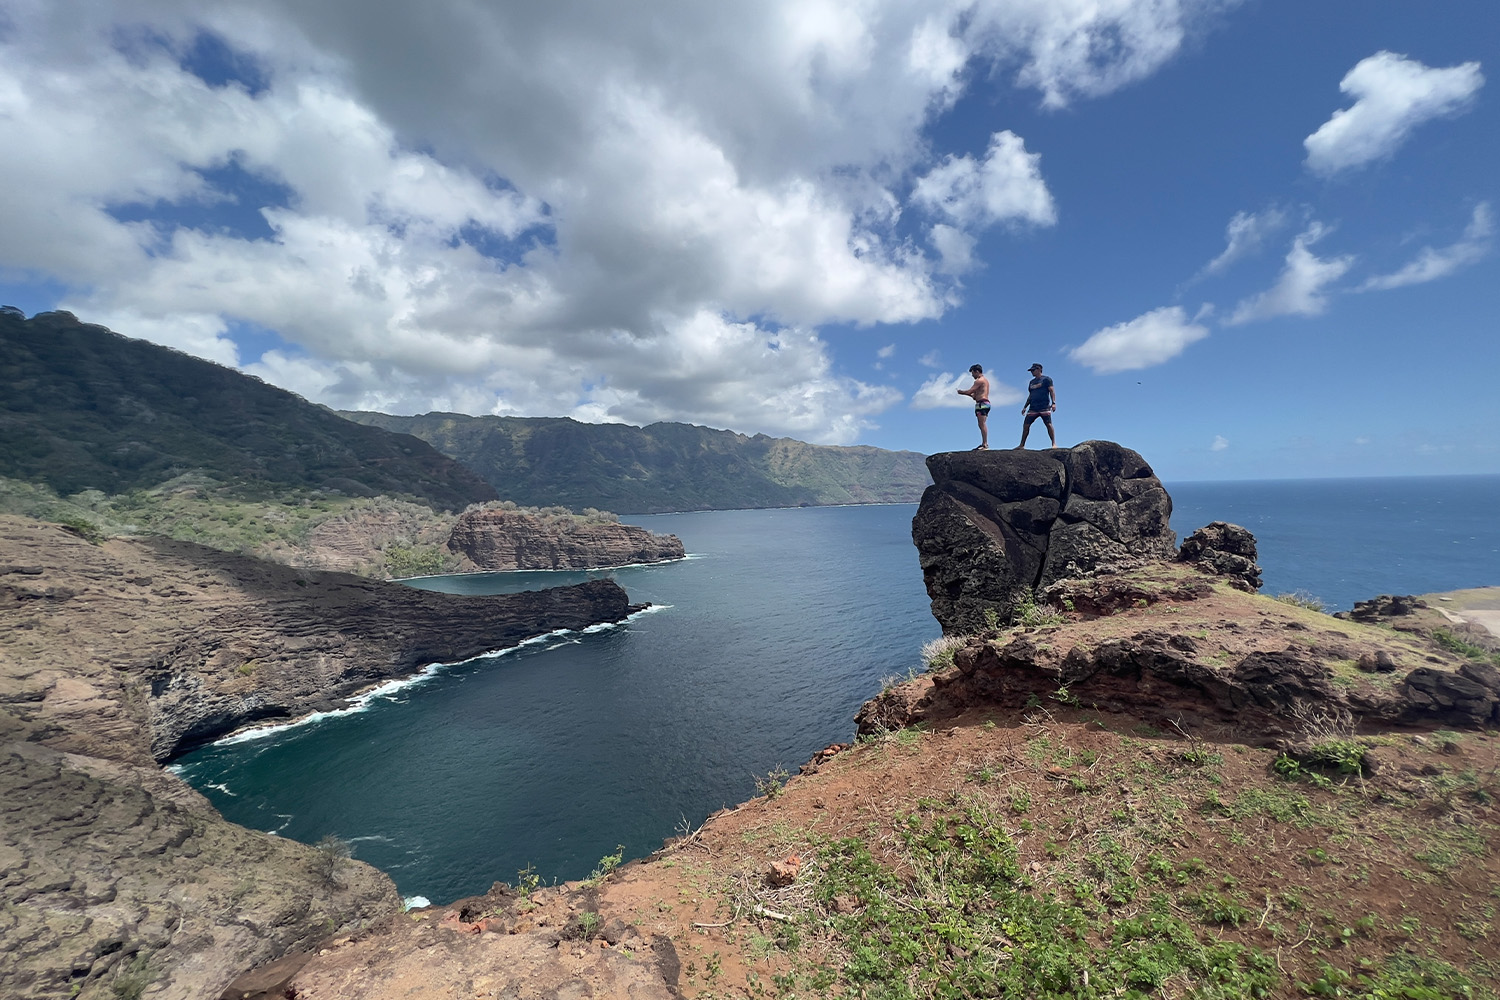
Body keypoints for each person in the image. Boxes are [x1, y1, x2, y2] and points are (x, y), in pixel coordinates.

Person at [1018, 363, 1056, 448]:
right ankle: (1022, 445)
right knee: (1026, 425)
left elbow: (1052, 391)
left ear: (1039, 369)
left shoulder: (1046, 379)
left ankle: (1053, 443)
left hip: (1044, 406)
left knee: (1048, 424)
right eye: (1031, 371)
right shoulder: (1032, 382)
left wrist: (1053, 403)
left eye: (1033, 370)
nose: (1032, 372)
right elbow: (1030, 395)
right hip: (1033, 407)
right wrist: (1025, 406)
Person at [957, 364, 991, 450]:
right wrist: (970, 395)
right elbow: (974, 396)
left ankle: (985, 444)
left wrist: (961, 392)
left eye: (973, 373)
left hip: (982, 403)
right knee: (980, 424)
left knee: (982, 424)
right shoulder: (985, 381)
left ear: (977, 372)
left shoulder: (979, 381)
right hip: (981, 403)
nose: (972, 375)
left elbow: (969, 391)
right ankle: (984, 443)